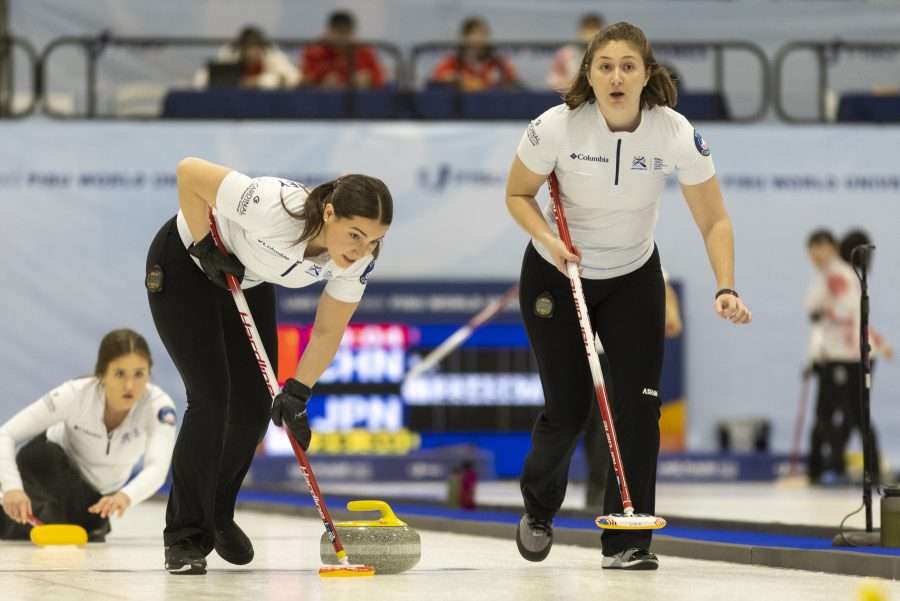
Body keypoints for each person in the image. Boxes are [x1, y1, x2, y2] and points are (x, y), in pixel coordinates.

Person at [504, 21, 751, 570]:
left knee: (639, 408)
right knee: (568, 411)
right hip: (555, 273)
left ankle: (627, 538)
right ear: (589, 74)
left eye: (628, 66)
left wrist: (725, 285)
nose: (616, 76)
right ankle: (539, 509)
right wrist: (549, 238)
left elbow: (714, 220)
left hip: (633, 274)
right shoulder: (557, 127)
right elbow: (518, 194)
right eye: (605, 65)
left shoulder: (674, 133)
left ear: (646, 74)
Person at [146, 157, 392, 575]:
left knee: (256, 406)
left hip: (246, 278)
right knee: (211, 399)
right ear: (329, 212)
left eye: (373, 240)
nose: (360, 250)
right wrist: (205, 246)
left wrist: (299, 390)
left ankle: (217, 513)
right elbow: (189, 173)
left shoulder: (358, 259)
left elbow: (329, 330)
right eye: (355, 235)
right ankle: (185, 538)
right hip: (186, 264)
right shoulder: (274, 208)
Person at [0, 329, 176, 542]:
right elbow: (6, 434)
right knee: (19, 524)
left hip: (94, 498)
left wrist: (125, 497)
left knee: (84, 528)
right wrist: (12, 489)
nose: (130, 386)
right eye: (120, 374)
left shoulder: (158, 407)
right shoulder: (75, 394)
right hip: (48, 470)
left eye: (139, 374)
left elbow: (158, 468)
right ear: (102, 373)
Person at [583, 277, 682, 510]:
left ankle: (611, 493)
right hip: (590, 354)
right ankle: (596, 491)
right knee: (594, 426)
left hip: (620, 353)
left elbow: (664, 284)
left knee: (616, 424)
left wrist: (672, 314)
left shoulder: (634, 251)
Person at [805, 229, 892, 485]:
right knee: (829, 413)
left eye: (821, 246)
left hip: (850, 356)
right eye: (812, 248)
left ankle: (863, 469)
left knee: (854, 414)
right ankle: (826, 467)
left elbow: (850, 317)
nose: (816, 253)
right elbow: (819, 316)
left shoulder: (840, 275)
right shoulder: (827, 276)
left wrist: (876, 342)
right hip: (835, 354)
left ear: (833, 247)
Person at [300, 10, 386, 89]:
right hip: (320, 102)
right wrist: (321, 82)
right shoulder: (313, 50)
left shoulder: (364, 51)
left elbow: (381, 79)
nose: (342, 38)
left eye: (346, 33)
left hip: (357, 102)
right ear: (328, 31)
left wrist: (369, 79)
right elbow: (303, 81)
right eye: (339, 32)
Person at [430, 16, 520, 92]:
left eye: (484, 34)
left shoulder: (499, 63)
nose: (481, 38)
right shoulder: (452, 62)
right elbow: (436, 80)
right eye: (476, 33)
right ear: (464, 37)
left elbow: (515, 83)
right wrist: (456, 80)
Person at [194, 26, 299, 89]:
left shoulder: (272, 54)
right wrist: (235, 82)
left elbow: (294, 77)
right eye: (248, 47)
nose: (252, 52)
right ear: (242, 48)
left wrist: (257, 81)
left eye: (255, 47)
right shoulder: (230, 54)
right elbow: (200, 79)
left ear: (261, 47)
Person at [546, 13, 606, 93]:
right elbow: (552, 81)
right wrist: (574, 85)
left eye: (594, 28)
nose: (591, 34)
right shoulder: (565, 54)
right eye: (588, 29)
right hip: (571, 97)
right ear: (580, 31)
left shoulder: (609, 55)